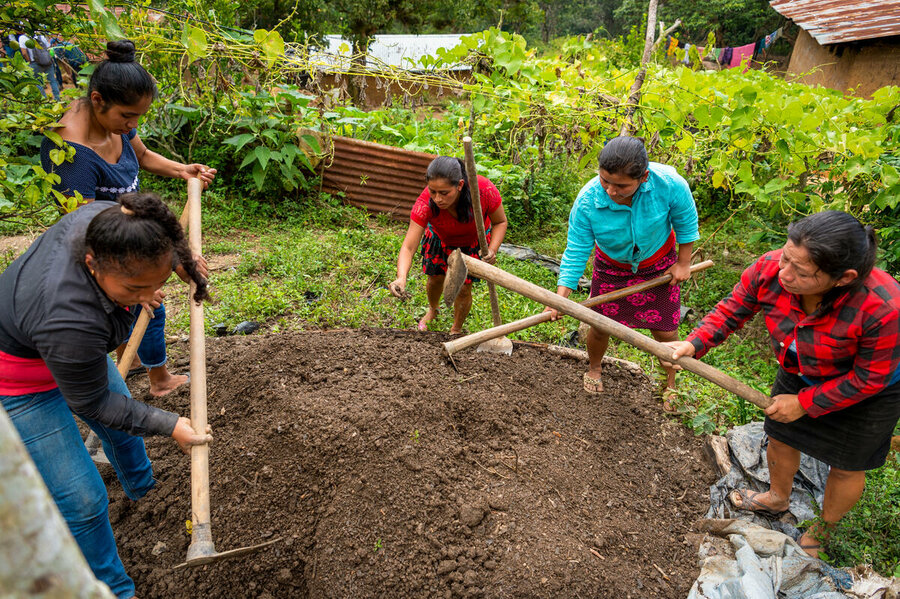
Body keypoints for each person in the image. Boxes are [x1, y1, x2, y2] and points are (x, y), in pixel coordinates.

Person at [0, 192, 213, 598]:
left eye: (156, 283)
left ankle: (145, 494)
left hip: (74, 352)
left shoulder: (116, 222)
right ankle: (114, 588)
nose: (150, 293)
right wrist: (170, 424)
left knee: (125, 433)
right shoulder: (68, 315)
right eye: (134, 287)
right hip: (19, 383)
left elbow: (154, 255)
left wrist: (170, 271)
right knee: (82, 500)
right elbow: (93, 402)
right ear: (92, 263)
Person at [668, 211, 900, 558]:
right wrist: (695, 342)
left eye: (801, 272)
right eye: (786, 258)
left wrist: (805, 403)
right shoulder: (770, 268)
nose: (784, 273)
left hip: (869, 391)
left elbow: (869, 378)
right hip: (801, 363)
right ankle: (777, 497)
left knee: (848, 463)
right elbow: (732, 310)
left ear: (843, 278)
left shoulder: (884, 307)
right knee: (780, 434)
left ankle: (824, 527)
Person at [40, 39, 216, 397]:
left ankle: (131, 359)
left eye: (138, 117)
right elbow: (86, 227)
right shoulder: (70, 153)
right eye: (128, 116)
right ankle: (156, 381)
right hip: (98, 244)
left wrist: (183, 170)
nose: (133, 124)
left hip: (125, 226)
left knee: (139, 300)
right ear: (97, 100)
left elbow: (144, 154)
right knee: (146, 300)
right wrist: (167, 256)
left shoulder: (115, 118)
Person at [547, 136, 699, 404]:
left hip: (658, 266)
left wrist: (683, 263)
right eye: (604, 180)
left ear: (644, 177)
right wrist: (560, 298)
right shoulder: (587, 200)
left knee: (665, 331)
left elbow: (686, 223)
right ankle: (594, 368)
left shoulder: (670, 184)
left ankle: (671, 384)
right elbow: (576, 251)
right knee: (600, 325)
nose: (610, 191)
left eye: (621, 185)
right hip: (611, 268)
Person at [389, 156, 508, 333]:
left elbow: (500, 222)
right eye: (433, 191)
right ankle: (433, 310)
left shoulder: (483, 190)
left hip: (472, 242)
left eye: (444, 193)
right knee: (435, 278)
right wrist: (401, 277)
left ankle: (456, 328)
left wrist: (492, 249)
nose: (437, 199)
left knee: (464, 287)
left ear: (460, 185)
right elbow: (408, 246)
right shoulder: (424, 204)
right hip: (440, 239)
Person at [19, 30, 60, 101]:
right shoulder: (40, 36)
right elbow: (49, 48)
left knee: (37, 82)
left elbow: (24, 53)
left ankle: (44, 100)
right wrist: (49, 58)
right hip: (47, 62)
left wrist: (29, 62)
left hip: (34, 63)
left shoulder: (22, 38)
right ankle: (57, 99)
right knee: (52, 80)